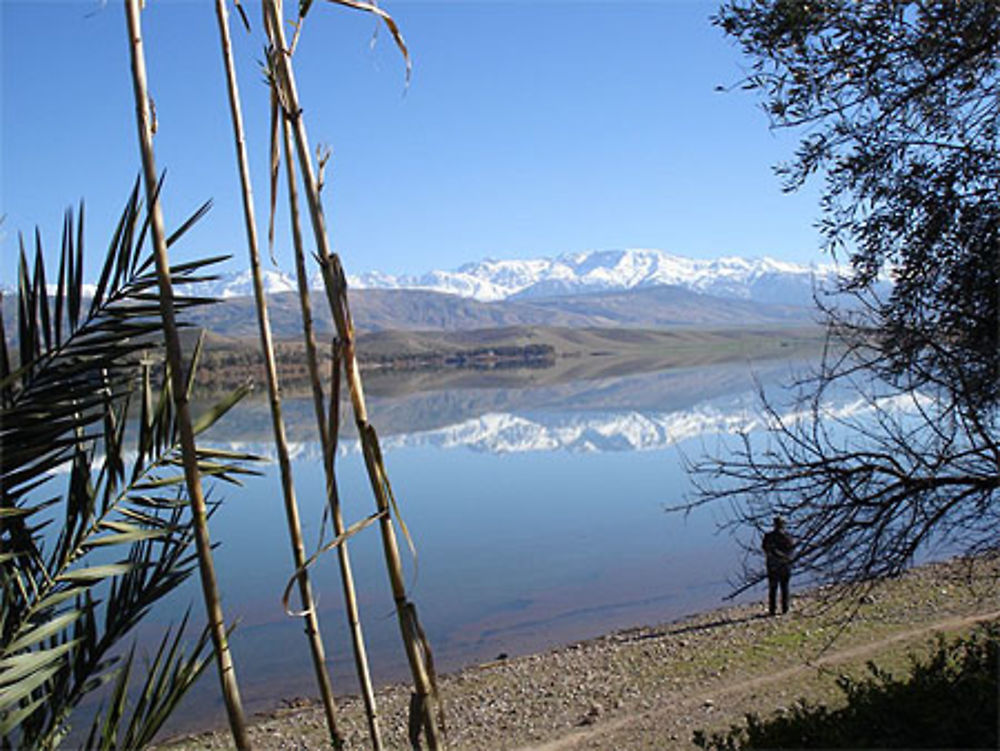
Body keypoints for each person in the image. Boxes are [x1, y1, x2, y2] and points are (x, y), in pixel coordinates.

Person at [762, 516, 794, 615]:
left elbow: (764, 548)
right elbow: (791, 550)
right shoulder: (787, 537)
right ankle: (785, 608)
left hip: (772, 565)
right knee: (784, 587)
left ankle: (772, 609)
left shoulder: (768, 536)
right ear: (783, 525)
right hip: (785, 565)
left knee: (773, 588)